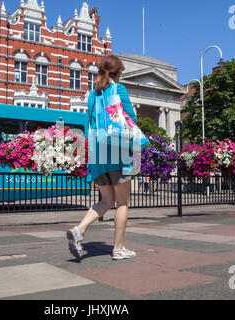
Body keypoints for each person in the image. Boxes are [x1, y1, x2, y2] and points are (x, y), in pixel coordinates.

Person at [66, 55, 138, 261]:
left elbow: (90, 123)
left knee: (106, 200)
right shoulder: (119, 89)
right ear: (119, 72)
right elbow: (131, 118)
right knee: (122, 202)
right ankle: (118, 249)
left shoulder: (91, 94)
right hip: (117, 149)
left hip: (97, 152)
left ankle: (79, 230)